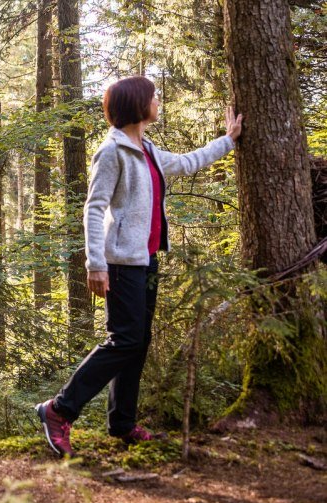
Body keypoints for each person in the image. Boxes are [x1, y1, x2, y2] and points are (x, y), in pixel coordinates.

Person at [36, 76, 243, 457]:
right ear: (137, 104)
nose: (157, 101)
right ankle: (59, 409)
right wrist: (95, 263)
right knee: (125, 340)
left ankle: (122, 424)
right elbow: (94, 208)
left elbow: (185, 163)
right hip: (119, 263)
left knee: (138, 343)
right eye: (153, 96)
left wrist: (228, 141)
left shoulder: (145, 148)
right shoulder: (112, 151)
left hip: (146, 260)